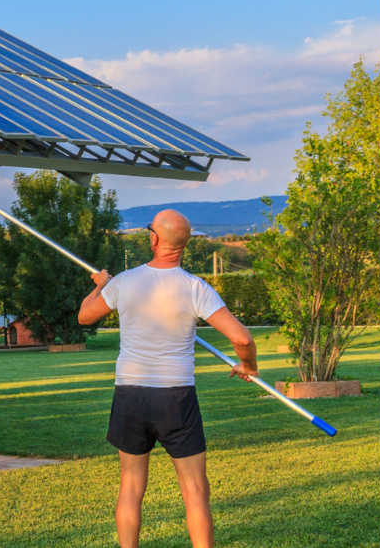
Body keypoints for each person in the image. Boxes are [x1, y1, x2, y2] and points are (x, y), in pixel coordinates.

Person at [77, 209, 258, 548]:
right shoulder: (195, 287)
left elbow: (85, 316)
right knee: (194, 489)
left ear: (155, 239)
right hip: (176, 397)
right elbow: (243, 339)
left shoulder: (124, 282)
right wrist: (248, 365)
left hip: (130, 393)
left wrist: (101, 286)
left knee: (131, 486)